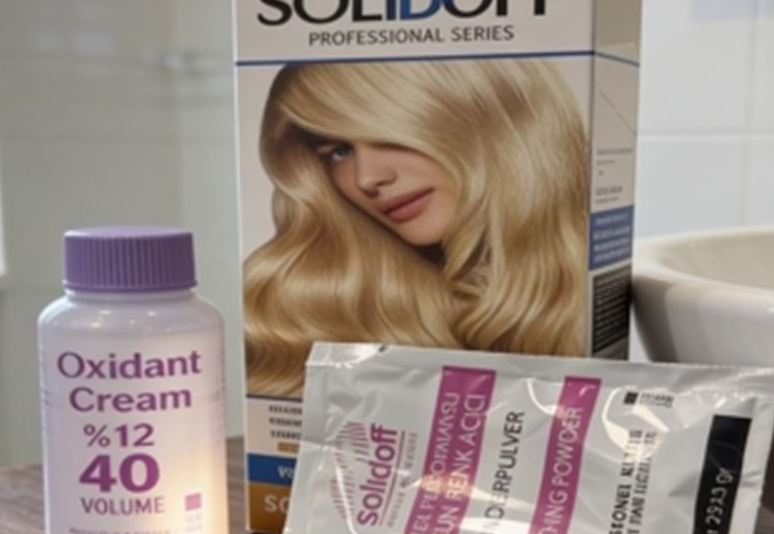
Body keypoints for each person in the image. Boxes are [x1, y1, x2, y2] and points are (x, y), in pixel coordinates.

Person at [244, 57, 588, 398]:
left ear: (492, 118)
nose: (367, 178)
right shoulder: (313, 311)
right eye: (340, 151)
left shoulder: (588, 295)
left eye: (387, 134)